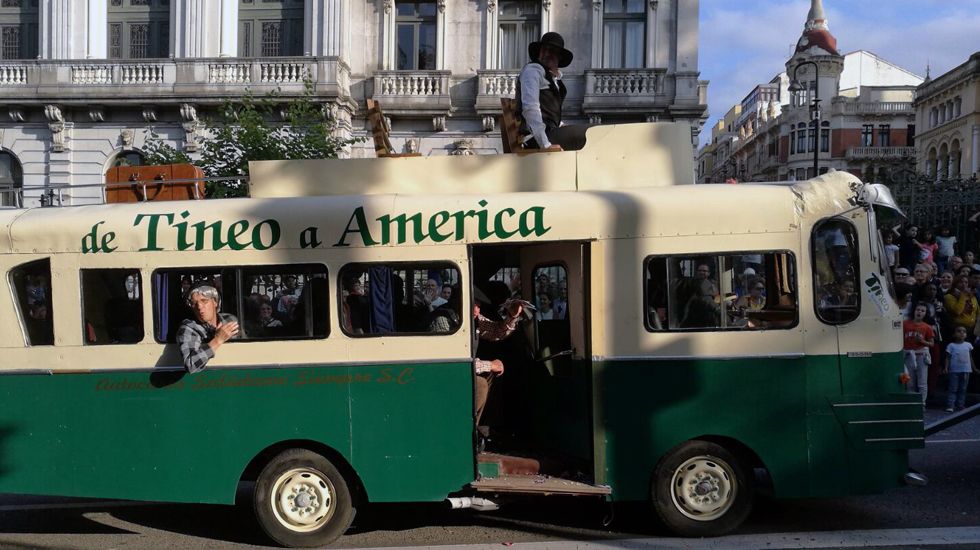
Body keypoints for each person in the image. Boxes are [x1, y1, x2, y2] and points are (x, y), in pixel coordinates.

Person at [516, 32, 588, 151]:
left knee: (596, 132)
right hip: (537, 138)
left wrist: (560, 124)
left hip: (550, 133)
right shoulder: (533, 71)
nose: (547, 54)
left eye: (553, 51)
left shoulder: (552, 78)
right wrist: (545, 145)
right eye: (544, 50)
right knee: (591, 134)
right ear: (539, 52)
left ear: (559, 57)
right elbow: (530, 108)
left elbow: (547, 111)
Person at [473, 292, 527, 428]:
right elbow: (459, 363)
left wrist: (512, 317)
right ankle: (470, 430)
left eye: (478, 307)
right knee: (480, 384)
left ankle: (485, 430)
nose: (476, 310)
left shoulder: (474, 320)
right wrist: (489, 365)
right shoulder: (447, 321)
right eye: (473, 305)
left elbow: (496, 331)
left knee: (492, 377)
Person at [177, 283, 240, 373]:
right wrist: (217, 340)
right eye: (194, 303)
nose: (199, 307)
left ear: (215, 302)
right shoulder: (189, 328)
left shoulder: (230, 319)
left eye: (204, 301)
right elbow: (190, 364)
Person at [903, 303, 935, 405]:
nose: (919, 312)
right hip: (908, 354)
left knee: (922, 382)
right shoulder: (905, 324)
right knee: (909, 381)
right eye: (918, 309)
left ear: (925, 313)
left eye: (922, 311)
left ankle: (922, 403)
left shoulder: (927, 327)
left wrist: (922, 341)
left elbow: (932, 344)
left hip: (921, 355)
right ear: (914, 311)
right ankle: (911, 403)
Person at [944, 325, 976, 412]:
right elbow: (948, 357)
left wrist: (974, 368)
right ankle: (951, 405)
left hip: (966, 370)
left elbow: (970, 357)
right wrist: (946, 367)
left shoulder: (968, 345)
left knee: (963, 388)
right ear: (954, 334)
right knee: (953, 388)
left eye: (964, 331)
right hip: (954, 370)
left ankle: (960, 405)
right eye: (959, 331)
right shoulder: (951, 345)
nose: (962, 333)